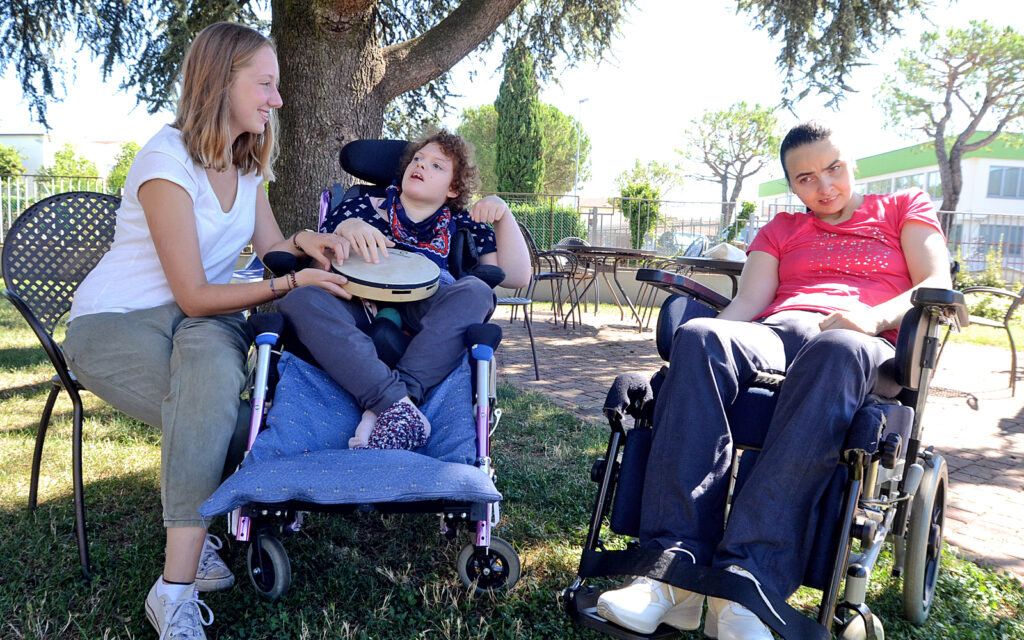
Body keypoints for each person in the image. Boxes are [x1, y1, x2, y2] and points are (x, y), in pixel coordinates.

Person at [595, 121, 952, 639]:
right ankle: (673, 576)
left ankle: (749, 584)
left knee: (838, 345)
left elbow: (934, 282)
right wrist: (704, 346)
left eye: (833, 168)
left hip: (863, 346)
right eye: (806, 178)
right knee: (700, 335)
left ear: (851, 161)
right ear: (791, 185)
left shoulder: (902, 207)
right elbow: (747, 306)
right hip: (782, 330)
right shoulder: (781, 230)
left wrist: (870, 317)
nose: (824, 186)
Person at [62, 22, 355, 640]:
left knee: (214, 387)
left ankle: (175, 584)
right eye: (266, 84)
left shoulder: (248, 165)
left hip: (207, 319)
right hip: (115, 324)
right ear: (222, 80)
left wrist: (304, 246)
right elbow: (192, 291)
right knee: (212, 412)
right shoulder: (166, 160)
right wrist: (288, 285)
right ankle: (183, 581)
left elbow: (270, 246)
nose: (277, 100)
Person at [277, 130, 531, 450]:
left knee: (478, 291)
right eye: (418, 159)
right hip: (359, 301)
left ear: (454, 187)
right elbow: (319, 268)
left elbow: (517, 276)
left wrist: (504, 216)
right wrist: (344, 230)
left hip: (427, 303)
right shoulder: (357, 207)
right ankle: (397, 406)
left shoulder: (464, 222)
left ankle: (396, 402)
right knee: (301, 298)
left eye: (437, 165)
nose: (421, 165)